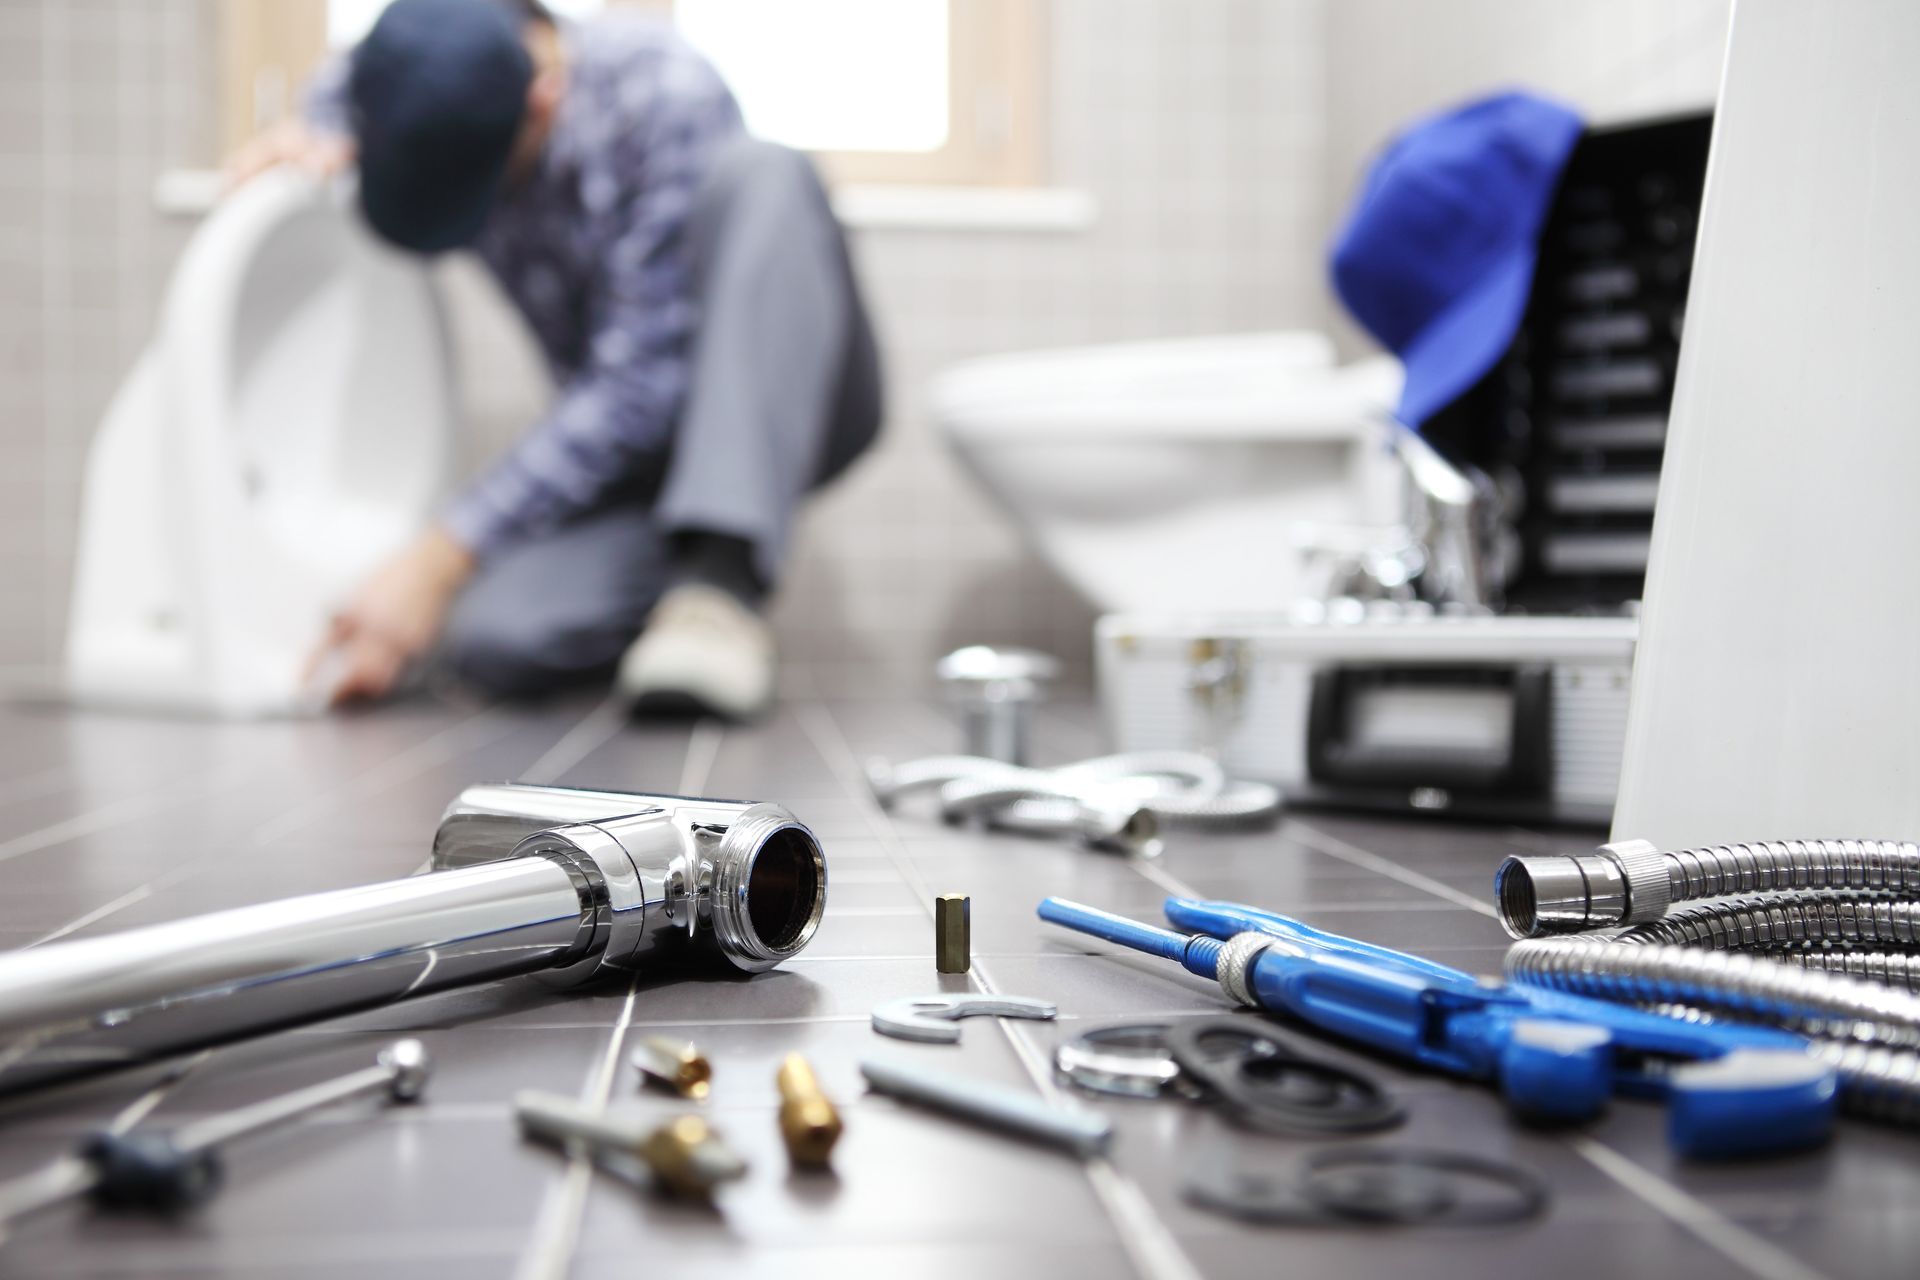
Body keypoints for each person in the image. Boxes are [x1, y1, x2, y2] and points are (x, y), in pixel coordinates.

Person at [230, 0, 881, 719]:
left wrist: (439, 555)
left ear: (543, 98)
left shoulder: (660, 91)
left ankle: (719, 588)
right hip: (637, 466)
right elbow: (345, 81)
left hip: (783, 390)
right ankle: (678, 597)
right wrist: (311, 131)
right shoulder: (413, 72)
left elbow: (641, 385)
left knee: (766, 174)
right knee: (496, 638)